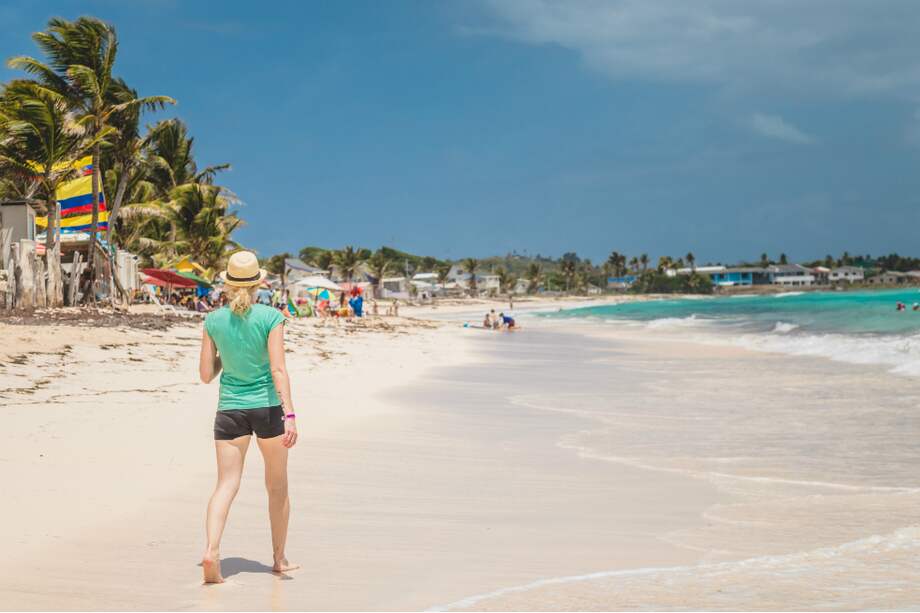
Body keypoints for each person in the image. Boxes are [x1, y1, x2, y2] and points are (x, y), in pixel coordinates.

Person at [198, 251, 299, 584]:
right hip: (267, 408)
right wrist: (290, 415)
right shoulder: (271, 317)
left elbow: (205, 374)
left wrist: (227, 357)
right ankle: (280, 559)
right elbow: (278, 369)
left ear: (227, 284)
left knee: (226, 484)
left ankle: (212, 551)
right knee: (277, 486)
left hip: (230, 409)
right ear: (259, 283)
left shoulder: (212, 321)